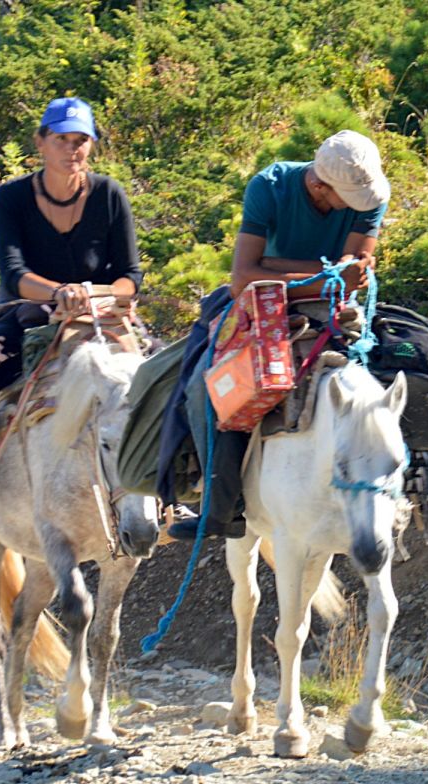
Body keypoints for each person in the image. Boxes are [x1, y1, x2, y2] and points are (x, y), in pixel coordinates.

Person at [164, 130, 391, 541]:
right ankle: (221, 507)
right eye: (347, 197)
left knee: (411, 364)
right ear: (319, 186)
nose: (359, 204)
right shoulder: (269, 187)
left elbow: (350, 278)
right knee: (207, 387)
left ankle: (417, 487)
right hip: (260, 307)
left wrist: (276, 268)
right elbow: (242, 280)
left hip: (327, 307)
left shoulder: (368, 197)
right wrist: (323, 277)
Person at [0, 96, 142, 525]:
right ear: (40, 142)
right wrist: (59, 292)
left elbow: (131, 276)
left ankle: (173, 489)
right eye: (62, 139)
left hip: (103, 317)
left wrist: (98, 294)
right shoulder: (11, 199)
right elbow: (14, 272)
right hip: (29, 317)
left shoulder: (109, 195)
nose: (72, 149)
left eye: (81, 140)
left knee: (161, 373)